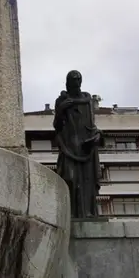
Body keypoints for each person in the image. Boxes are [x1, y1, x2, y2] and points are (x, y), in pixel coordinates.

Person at [54, 70, 103, 218]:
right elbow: (57, 125)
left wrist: (98, 135)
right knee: (70, 179)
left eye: (78, 81)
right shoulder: (61, 101)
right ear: (68, 84)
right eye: (73, 81)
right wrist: (62, 109)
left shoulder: (87, 102)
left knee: (88, 181)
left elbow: (92, 125)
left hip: (86, 148)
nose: (76, 84)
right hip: (69, 146)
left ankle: (88, 213)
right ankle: (71, 214)